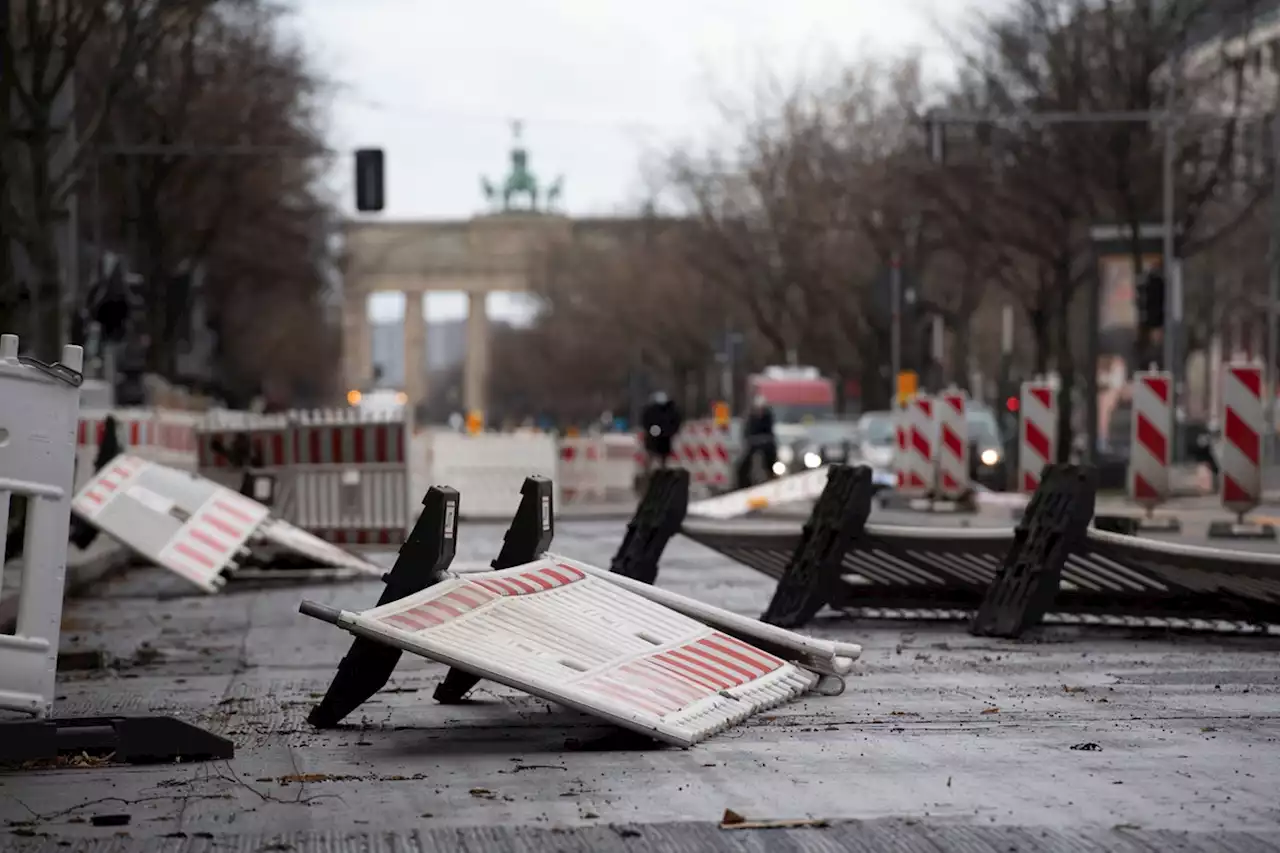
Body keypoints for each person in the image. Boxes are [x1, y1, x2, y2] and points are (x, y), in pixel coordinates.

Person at [738, 395, 777, 488]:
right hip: (753, 446)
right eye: (758, 409)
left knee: (772, 460)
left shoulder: (768, 417)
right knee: (743, 465)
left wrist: (765, 440)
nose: (760, 411)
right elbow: (746, 433)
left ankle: (772, 475)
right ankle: (742, 482)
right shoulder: (751, 418)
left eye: (761, 409)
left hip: (767, 447)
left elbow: (770, 432)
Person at [641, 391, 682, 471]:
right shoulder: (669, 411)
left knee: (658, 456)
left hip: (662, 438)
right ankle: (652, 471)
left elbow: (675, 423)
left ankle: (659, 472)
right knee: (654, 455)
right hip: (659, 438)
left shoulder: (654, 411)